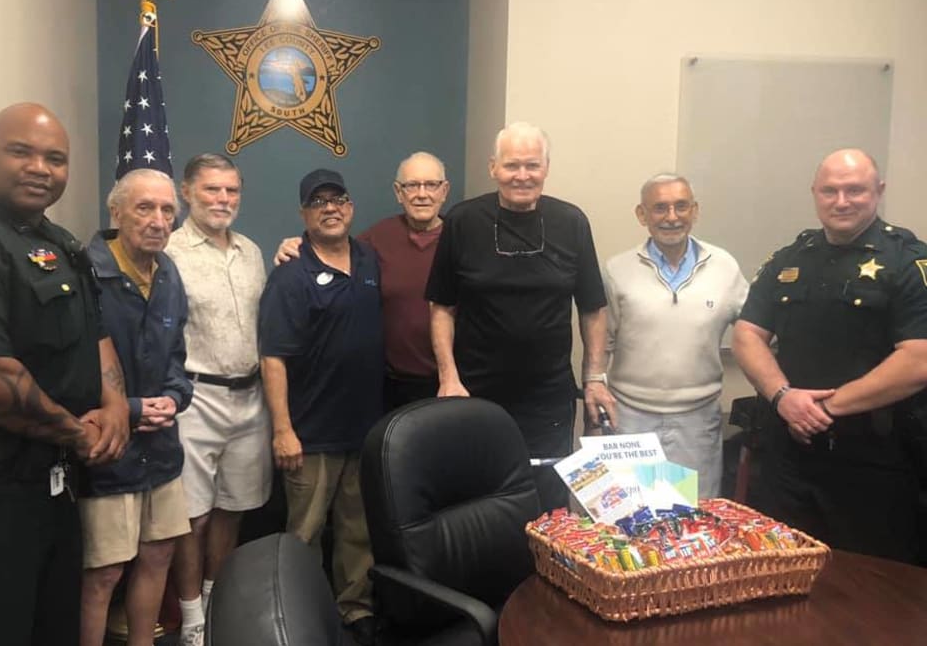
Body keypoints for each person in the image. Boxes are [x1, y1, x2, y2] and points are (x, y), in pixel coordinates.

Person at [0, 103, 129, 646]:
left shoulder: (60, 243)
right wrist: (78, 432)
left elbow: (98, 334)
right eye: (22, 151)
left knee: (52, 624)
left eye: (55, 158)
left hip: (54, 485)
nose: (40, 167)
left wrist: (116, 407)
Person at [732, 148, 927, 563]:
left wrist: (825, 408)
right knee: (778, 573)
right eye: (830, 191)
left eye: (854, 190)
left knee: (872, 588)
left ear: (879, 191)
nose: (841, 201)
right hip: (789, 456)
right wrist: (784, 398)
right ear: (815, 194)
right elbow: (747, 333)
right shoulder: (789, 259)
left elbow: (919, 359)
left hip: (875, 462)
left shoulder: (908, 261)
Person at [425, 122, 609, 511]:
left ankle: (541, 572)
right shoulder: (462, 221)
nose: (522, 176)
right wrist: (448, 377)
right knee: (478, 496)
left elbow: (592, 308)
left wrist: (594, 378)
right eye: (511, 166)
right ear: (493, 168)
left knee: (547, 502)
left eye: (532, 165)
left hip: (549, 397)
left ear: (546, 167)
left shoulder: (571, 222)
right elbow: (441, 307)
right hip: (476, 393)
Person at [260, 169, 382, 646]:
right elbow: (273, 358)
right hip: (310, 433)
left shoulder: (370, 258)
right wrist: (283, 429)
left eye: (339, 200)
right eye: (319, 202)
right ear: (304, 215)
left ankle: (356, 609)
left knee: (358, 532)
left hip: (363, 427)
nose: (330, 208)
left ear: (351, 207)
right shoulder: (291, 273)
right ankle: (301, 617)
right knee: (303, 536)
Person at [79, 169, 193, 646]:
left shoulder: (167, 272)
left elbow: (176, 357)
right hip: (110, 451)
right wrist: (128, 408)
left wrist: (175, 396)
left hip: (161, 451)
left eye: (168, 210)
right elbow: (68, 372)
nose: (158, 220)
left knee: (158, 557)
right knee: (104, 575)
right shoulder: (85, 273)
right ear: (117, 212)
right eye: (145, 207)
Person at [165, 154, 272, 646]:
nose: (222, 200)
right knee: (192, 514)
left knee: (233, 506)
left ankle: (214, 600)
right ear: (187, 192)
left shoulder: (251, 251)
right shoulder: (168, 251)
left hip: (250, 397)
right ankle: (190, 619)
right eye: (211, 190)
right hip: (195, 397)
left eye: (231, 191)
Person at [601, 173, 748, 498]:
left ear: (695, 211)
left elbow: (754, 332)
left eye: (681, 206)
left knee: (693, 519)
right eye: (660, 208)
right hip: (631, 418)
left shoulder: (724, 267)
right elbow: (602, 344)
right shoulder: (617, 270)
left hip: (697, 420)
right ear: (642, 215)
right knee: (631, 519)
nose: (671, 217)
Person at [274, 151, 449, 409]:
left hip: (449, 382)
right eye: (412, 185)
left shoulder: (461, 237)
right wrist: (296, 245)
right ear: (398, 192)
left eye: (431, 185)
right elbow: (333, 248)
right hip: (387, 385)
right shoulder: (375, 240)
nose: (422, 194)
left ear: (444, 191)